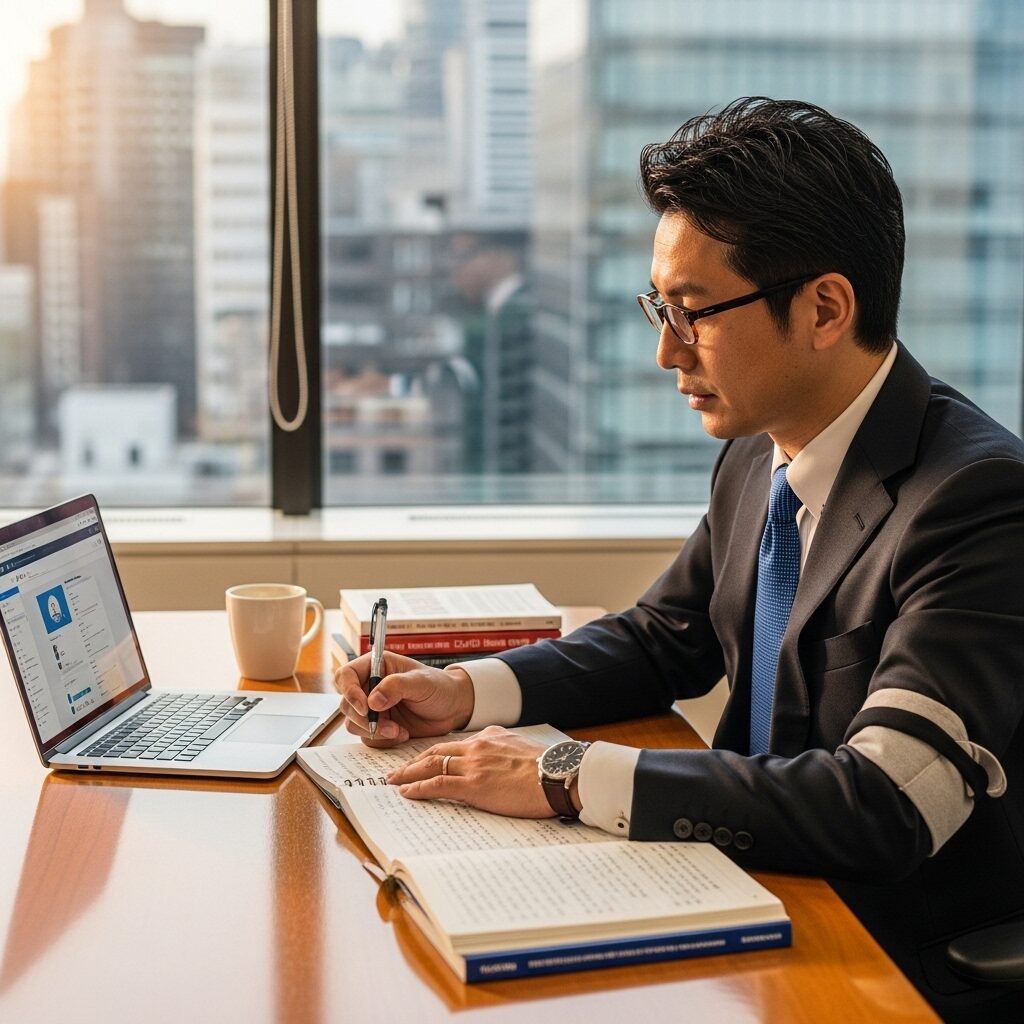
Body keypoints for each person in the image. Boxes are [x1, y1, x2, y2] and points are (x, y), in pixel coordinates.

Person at [335, 97, 1024, 1022]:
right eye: (661, 306)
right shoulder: (760, 446)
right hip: (742, 888)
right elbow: (668, 637)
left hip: (881, 957)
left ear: (825, 308)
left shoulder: (979, 502)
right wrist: (466, 691)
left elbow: (885, 802)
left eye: (693, 312)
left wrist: (564, 774)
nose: (666, 350)